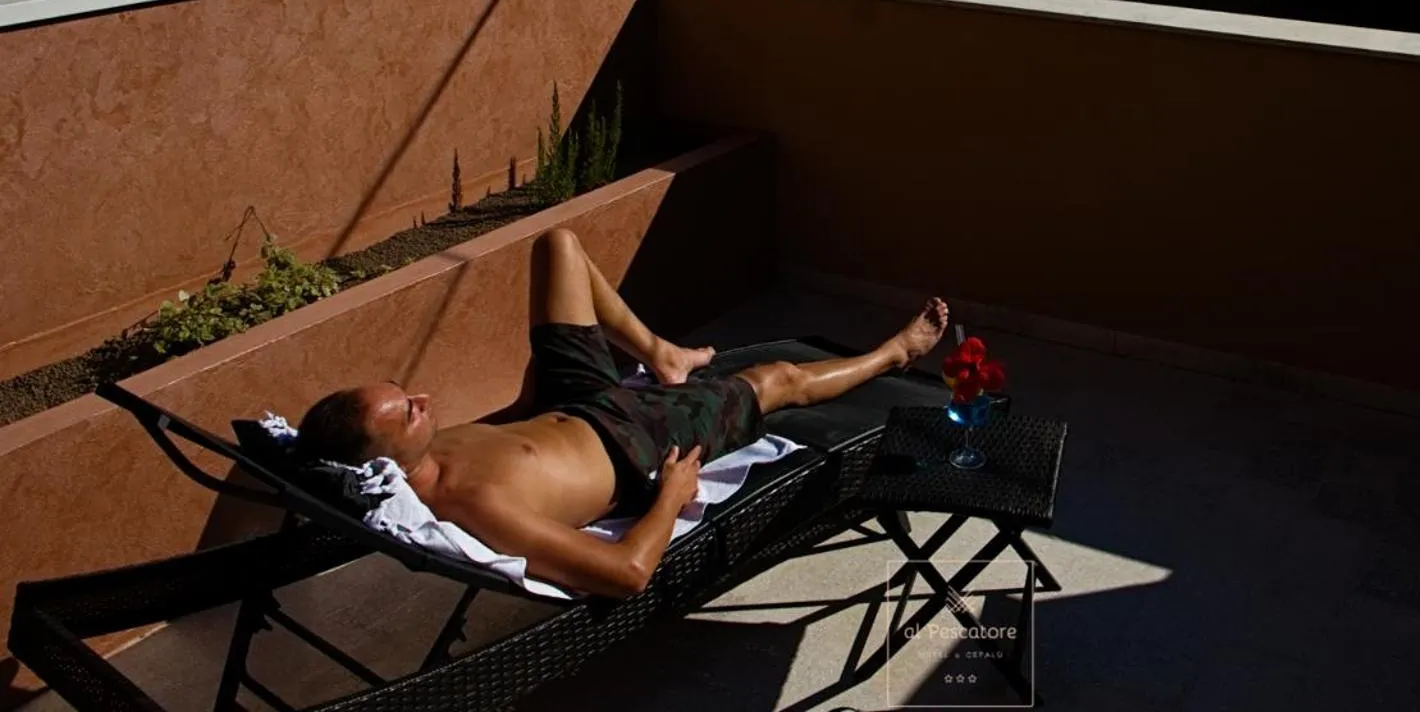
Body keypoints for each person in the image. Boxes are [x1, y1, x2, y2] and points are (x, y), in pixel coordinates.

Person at [294, 227, 950, 598]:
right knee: (775, 379)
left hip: (573, 405)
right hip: (635, 442)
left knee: (559, 246)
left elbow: (516, 433)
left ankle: (662, 355)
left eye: (405, 391)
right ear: (387, 463)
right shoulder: (471, 505)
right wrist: (671, 497)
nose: (425, 400)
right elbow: (626, 574)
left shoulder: (429, 453)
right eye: (408, 412)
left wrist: (530, 406)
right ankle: (892, 353)